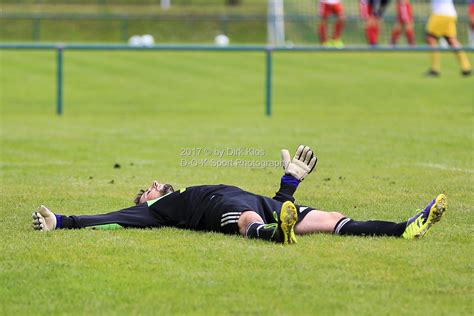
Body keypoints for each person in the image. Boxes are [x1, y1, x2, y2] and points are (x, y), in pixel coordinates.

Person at [32, 145, 448, 244]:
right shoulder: (158, 210)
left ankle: (404, 228)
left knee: (329, 217)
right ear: (146, 201)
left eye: (153, 185)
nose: (153, 185)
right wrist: (63, 221)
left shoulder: (172, 192)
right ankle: (273, 233)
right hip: (220, 209)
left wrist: (285, 187)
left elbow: (265, 202)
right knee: (248, 220)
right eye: (147, 189)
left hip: (256, 200)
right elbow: (115, 217)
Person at [425, 0, 472, 77]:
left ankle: (434, 69)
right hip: (450, 13)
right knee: (452, 40)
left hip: (440, 14)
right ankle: (466, 67)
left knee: (430, 38)